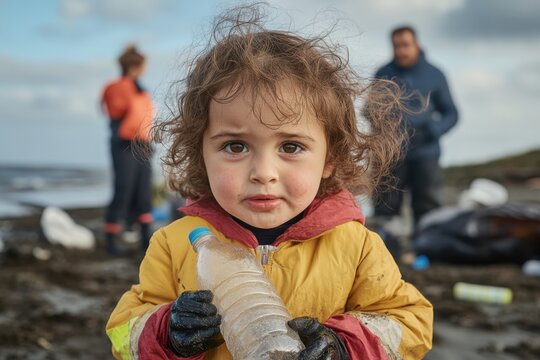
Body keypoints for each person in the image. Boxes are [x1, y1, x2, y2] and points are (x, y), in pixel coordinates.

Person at [106, 6, 432, 359]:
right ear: (200, 152)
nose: (263, 172)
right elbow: (124, 331)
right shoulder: (173, 245)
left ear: (330, 158)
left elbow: (409, 322)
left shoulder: (356, 246)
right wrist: (166, 331)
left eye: (290, 146)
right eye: (235, 146)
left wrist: (343, 346)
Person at [373, 26, 459, 229]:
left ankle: (425, 253)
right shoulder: (383, 73)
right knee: (386, 208)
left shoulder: (435, 74)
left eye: (405, 45)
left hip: (426, 154)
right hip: (392, 154)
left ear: (417, 44)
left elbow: (452, 114)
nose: (401, 50)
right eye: (396, 46)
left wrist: (434, 130)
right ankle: (388, 252)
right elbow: (371, 111)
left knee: (427, 207)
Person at [101, 45, 154, 255]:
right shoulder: (118, 87)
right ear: (135, 65)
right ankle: (111, 240)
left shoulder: (140, 89)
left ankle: (144, 238)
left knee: (143, 192)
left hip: (143, 145)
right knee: (123, 189)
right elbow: (116, 113)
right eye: (143, 65)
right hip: (124, 144)